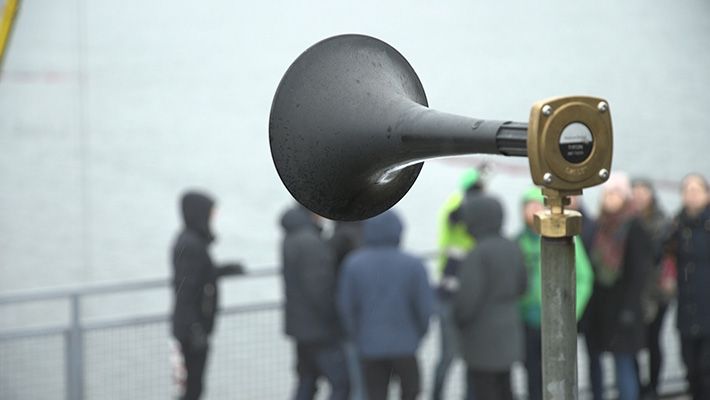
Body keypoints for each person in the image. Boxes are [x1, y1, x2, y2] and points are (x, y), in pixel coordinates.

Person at [338, 210, 434, 400]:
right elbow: (424, 307)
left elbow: (346, 308)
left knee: (375, 394)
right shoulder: (414, 264)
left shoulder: (353, 264)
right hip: (406, 346)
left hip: (370, 346)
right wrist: (418, 335)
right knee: (411, 392)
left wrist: (357, 336)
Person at [517, 187, 594, 400]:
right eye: (527, 207)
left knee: (558, 374)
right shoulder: (519, 241)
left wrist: (570, 314)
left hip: (556, 321)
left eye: (536, 205)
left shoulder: (567, 240)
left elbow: (585, 278)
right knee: (531, 374)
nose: (532, 211)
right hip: (528, 321)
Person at [170, 190, 245, 400]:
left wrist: (223, 270)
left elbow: (199, 275)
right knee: (191, 389)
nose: (213, 217)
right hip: (191, 331)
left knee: (194, 386)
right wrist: (194, 328)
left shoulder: (192, 241)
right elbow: (184, 289)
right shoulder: (190, 244)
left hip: (194, 328)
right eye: (211, 212)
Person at [453, 195, 527, 400]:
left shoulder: (478, 253)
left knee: (484, 391)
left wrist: (457, 318)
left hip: (482, 339)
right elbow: (523, 287)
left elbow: (467, 301)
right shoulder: (512, 246)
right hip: (509, 332)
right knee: (505, 389)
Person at [586, 173, 652, 400]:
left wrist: (630, 309)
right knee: (598, 361)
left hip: (625, 309)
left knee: (624, 364)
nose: (609, 198)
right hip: (601, 308)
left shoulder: (634, 227)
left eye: (614, 193)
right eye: (606, 194)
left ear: (624, 197)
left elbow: (640, 273)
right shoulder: (598, 225)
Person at [280, 204, 349, 400]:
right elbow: (320, 290)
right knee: (341, 383)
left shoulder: (292, 236)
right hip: (318, 330)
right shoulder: (310, 242)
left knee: (307, 381)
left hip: (300, 327)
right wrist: (336, 320)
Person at [432, 168, 483, 400]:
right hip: (452, 292)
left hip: (456, 290)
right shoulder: (458, 205)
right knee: (450, 355)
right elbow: (457, 215)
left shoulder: (457, 203)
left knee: (456, 356)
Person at [665, 173, 710, 400]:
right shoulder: (677, 225)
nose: (691, 195)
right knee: (690, 368)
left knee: (705, 370)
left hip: (707, 306)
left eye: (696, 190)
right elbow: (659, 255)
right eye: (687, 190)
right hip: (686, 307)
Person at [631, 178, 674, 398]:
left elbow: (662, 258)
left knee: (653, 340)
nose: (638, 196)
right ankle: (638, 387)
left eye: (642, 191)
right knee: (634, 343)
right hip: (635, 292)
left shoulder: (663, 222)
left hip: (657, 293)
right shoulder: (629, 220)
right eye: (635, 191)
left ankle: (653, 387)